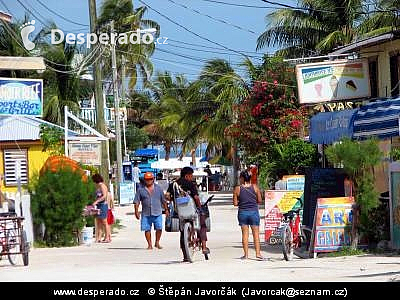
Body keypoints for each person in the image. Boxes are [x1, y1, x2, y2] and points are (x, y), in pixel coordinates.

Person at [167, 166, 209, 262]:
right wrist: (200, 207)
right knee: (202, 225)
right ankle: (204, 247)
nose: (192, 178)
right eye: (191, 176)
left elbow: (167, 196)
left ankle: (185, 256)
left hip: (180, 212)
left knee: (183, 234)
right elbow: (196, 198)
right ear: (187, 176)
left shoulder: (173, 184)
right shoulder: (190, 184)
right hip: (191, 210)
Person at [233, 170, 264, 260]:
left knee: (245, 234)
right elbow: (259, 200)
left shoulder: (237, 189)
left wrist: (241, 202)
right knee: (256, 234)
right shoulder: (255, 187)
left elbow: (235, 203)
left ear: (242, 178)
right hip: (254, 212)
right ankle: (258, 254)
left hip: (243, 213)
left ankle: (246, 255)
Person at [134, 172, 169, 250]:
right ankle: (149, 244)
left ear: (153, 179)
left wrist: (166, 210)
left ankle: (157, 242)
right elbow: (136, 201)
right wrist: (136, 211)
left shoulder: (158, 188)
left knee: (159, 228)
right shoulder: (140, 190)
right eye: (147, 179)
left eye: (150, 179)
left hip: (158, 212)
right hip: (146, 213)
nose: (149, 181)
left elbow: (163, 200)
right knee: (147, 229)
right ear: (144, 180)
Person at [92, 173, 111, 243]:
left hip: (103, 205)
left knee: (104, 221)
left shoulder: (102, 186)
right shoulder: (98, 186)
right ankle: (99, 237)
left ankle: (107, 237)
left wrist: (96, 201)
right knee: (99, 222)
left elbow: (104, 196)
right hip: (99, 205)